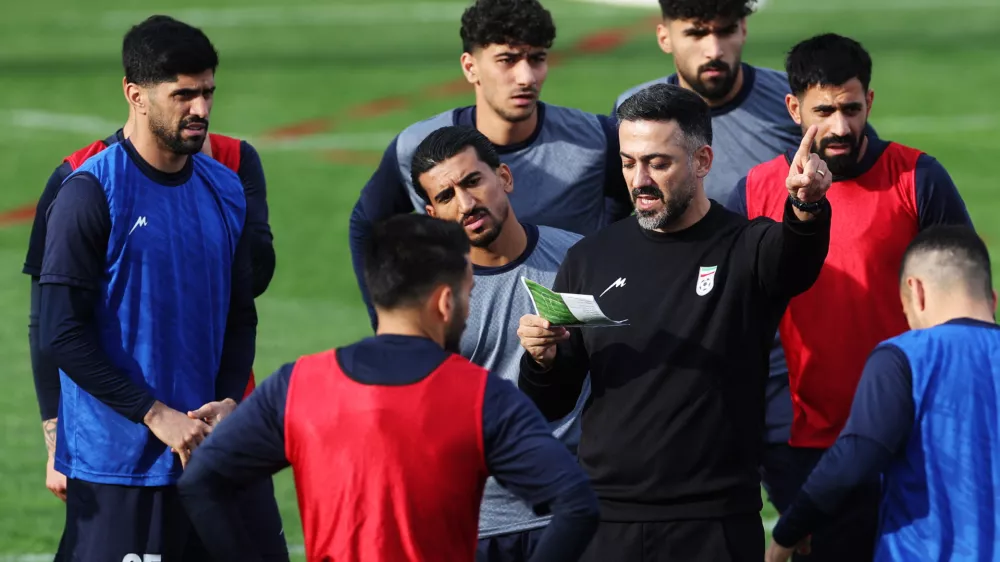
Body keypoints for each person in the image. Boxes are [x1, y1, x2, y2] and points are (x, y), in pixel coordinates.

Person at [516, 82, 833, 561]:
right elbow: (554, 399)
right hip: (608, 523)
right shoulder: (589, 259)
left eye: (658, 163)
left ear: (702, 161)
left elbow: (797, 259)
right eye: (628, 163)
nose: (639, 179)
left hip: (714, 524)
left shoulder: (747, 247)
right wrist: (541, 360)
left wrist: (806, 207)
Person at [178, 213, 600, 562]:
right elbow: (576, 505)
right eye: (468, 293)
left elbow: (202, 482)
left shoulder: (299, 384)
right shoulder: (482, 397)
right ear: (445, 302)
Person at [729, 33, 973, 560]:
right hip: (800, 440)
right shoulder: (756, 191)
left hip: (912, 433)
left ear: (870, 102)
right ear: (793, 108)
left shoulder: (917, 177)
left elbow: (967, 299)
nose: (840, 127)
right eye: (824, 111)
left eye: (851, 108)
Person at [38, 16, 259, 560]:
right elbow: (60, 333)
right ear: (134, 95)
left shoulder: (226, 190)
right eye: (183, 95)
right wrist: (157, 415)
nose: (202, 110)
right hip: (119, 468)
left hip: (205, 456)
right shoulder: (91, 193)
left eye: (207, 92)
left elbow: (240, 315)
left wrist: (227, 400)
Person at [610, 0, 807, 511]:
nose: (714, 49)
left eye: (725, 31)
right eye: (696, 33)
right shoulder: (636, 111)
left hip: (788, 363)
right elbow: (622, 221)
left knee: (813, 523)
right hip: (687, 366)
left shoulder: (792, 105)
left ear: (744, 28)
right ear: (664, 36)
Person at [349, 0, 633, 330]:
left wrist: (599, 241)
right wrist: (385, 321)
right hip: (468, 345)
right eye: (507, 60)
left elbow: (635, 210)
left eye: (537, 59)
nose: (526, 77)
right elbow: (367, 225)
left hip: (572, 347)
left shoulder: (597, 140)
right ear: (470, 67)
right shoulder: (417, 147)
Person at [409, 125, 589, 562]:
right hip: (479, 524)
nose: (467, 204)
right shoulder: (426, 300)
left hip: (576, 511)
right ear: (433, 215)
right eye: (447, 196)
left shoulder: (579, 258)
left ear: (503, 178)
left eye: (473, 181)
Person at [766, 225, 999, 562]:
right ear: (991, 298)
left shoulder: (904, 356)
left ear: (915, 291)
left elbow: (854, 459)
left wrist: (789, 530)